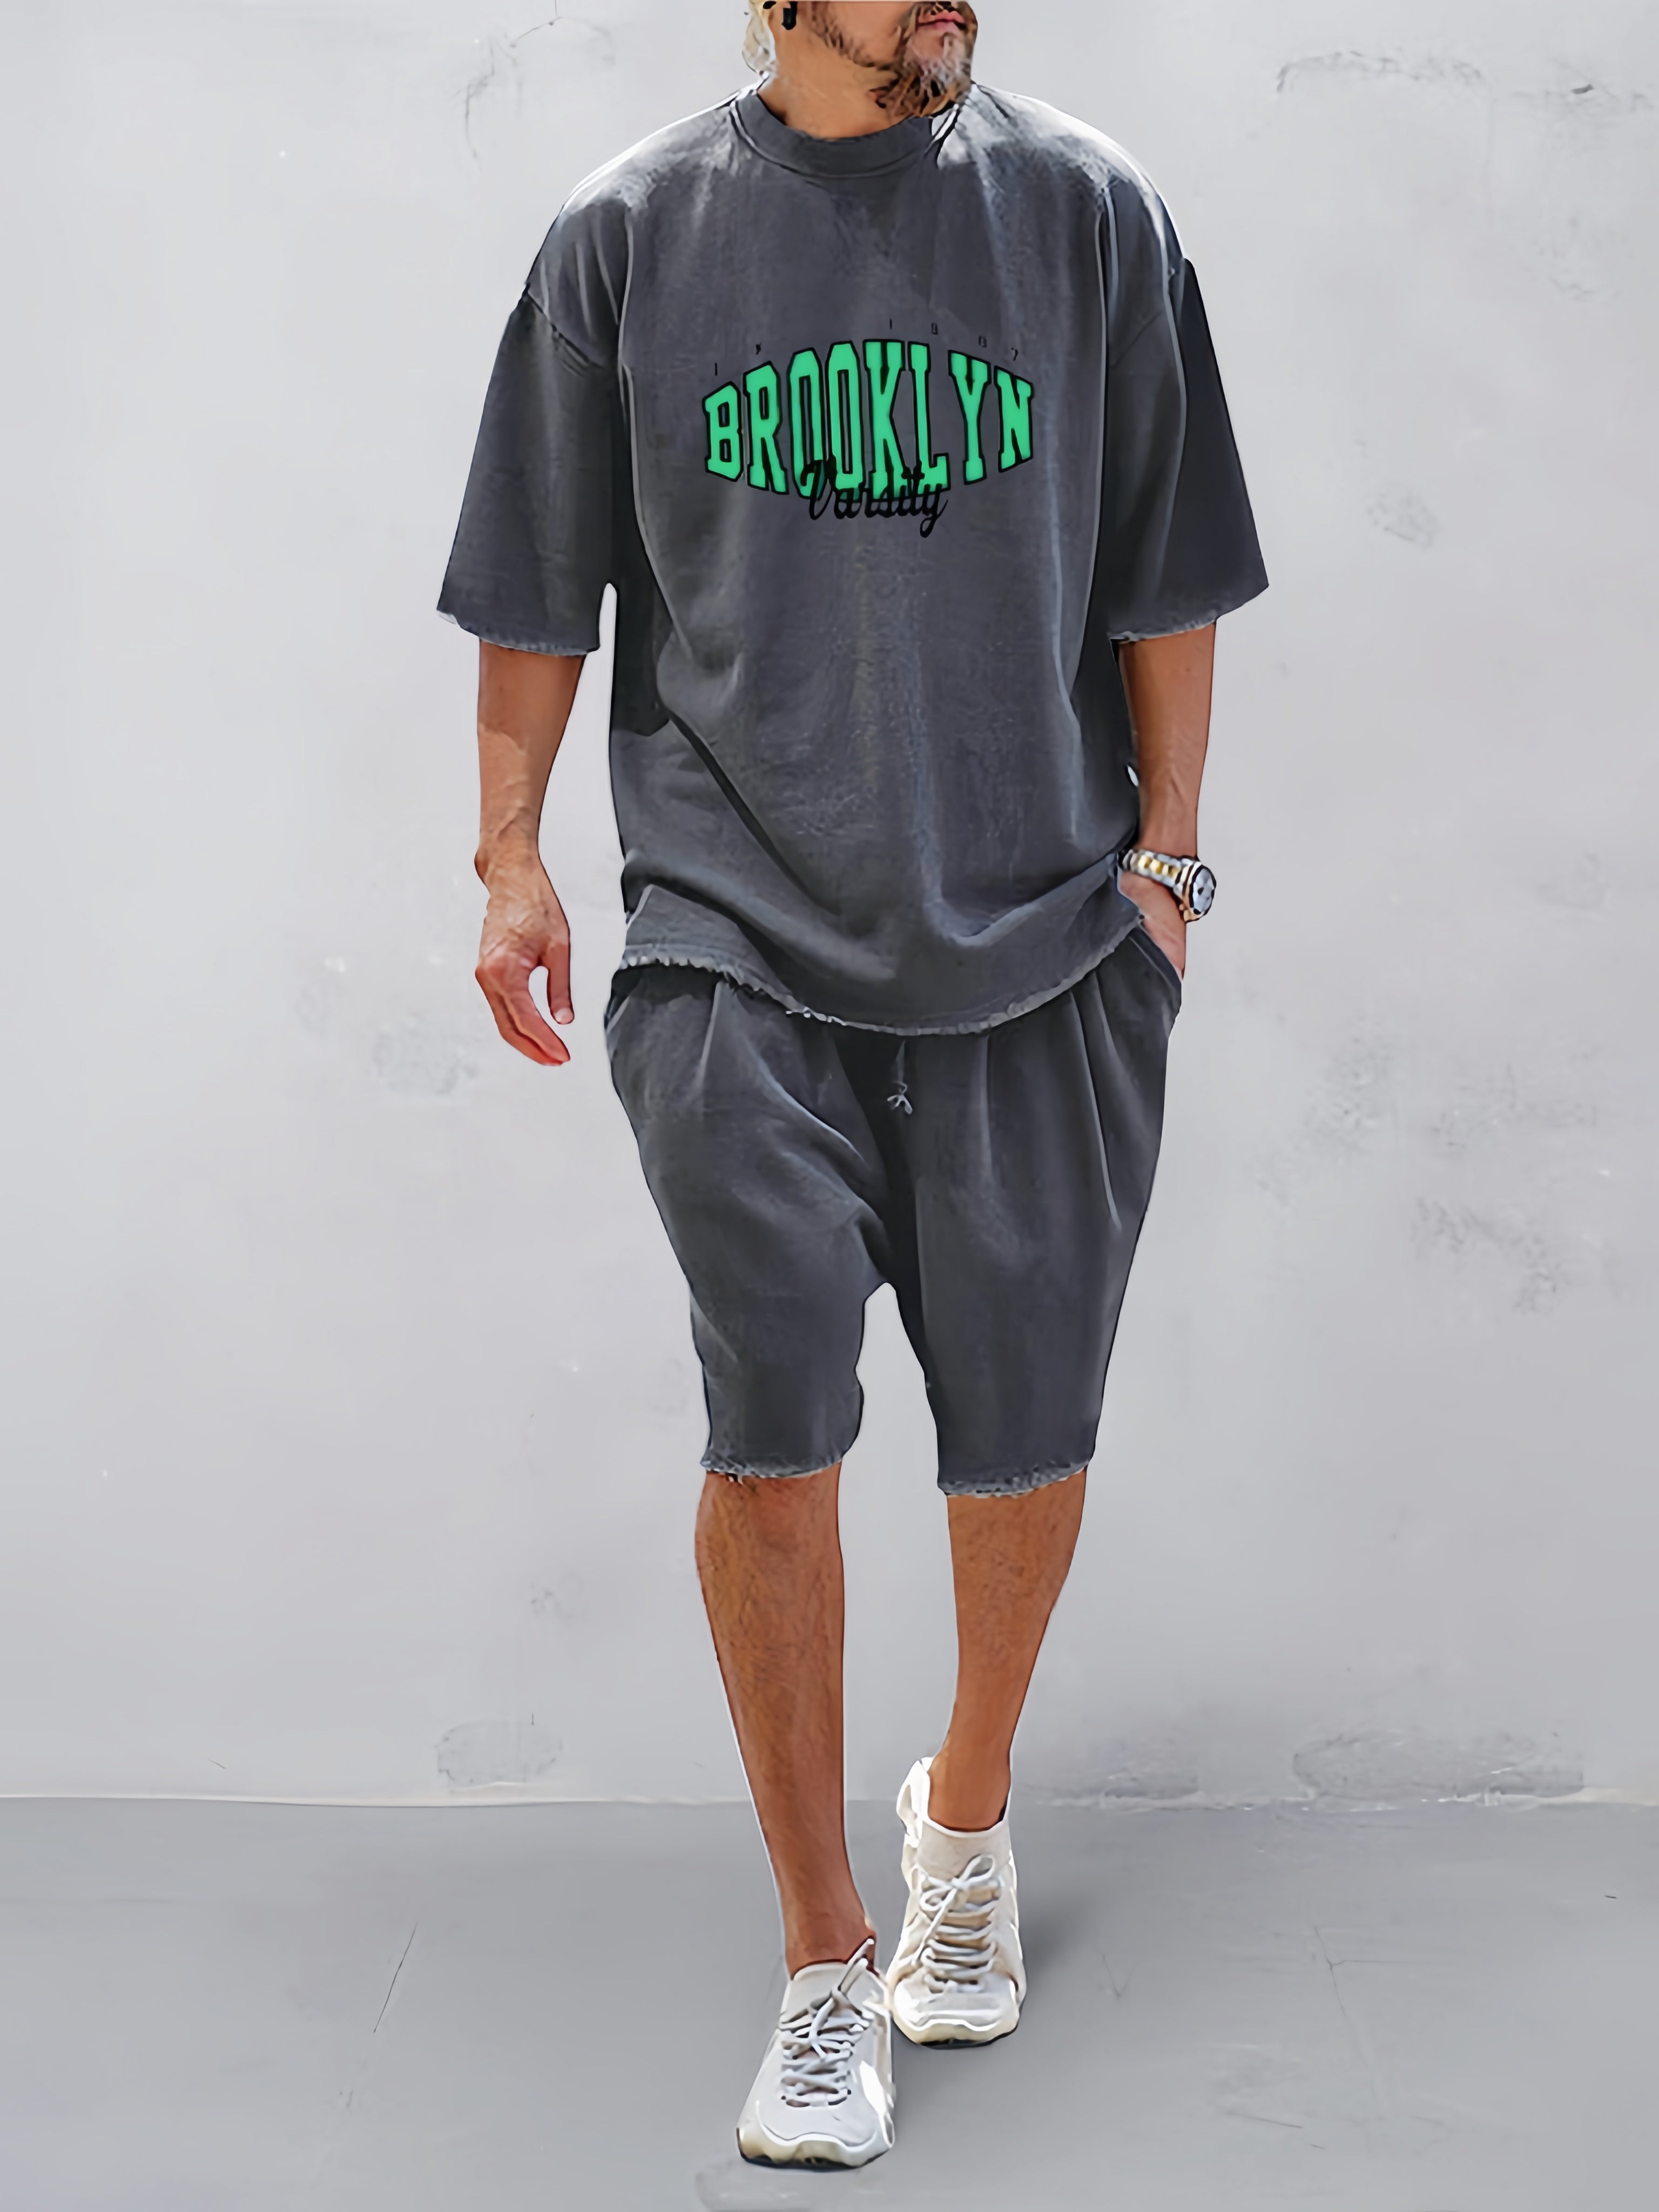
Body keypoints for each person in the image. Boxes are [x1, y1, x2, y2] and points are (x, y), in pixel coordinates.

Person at [439, 0, 1266, 2171]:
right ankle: (824, 1964)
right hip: (731, 940)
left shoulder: (1091, 214)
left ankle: (960, 1816)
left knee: (1027, 1436)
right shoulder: (626, 237)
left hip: (1047, 935)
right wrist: (513, 855)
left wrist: (1170, 870)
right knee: (777, 1418)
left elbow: (1172, 565)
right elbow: (535, 589)